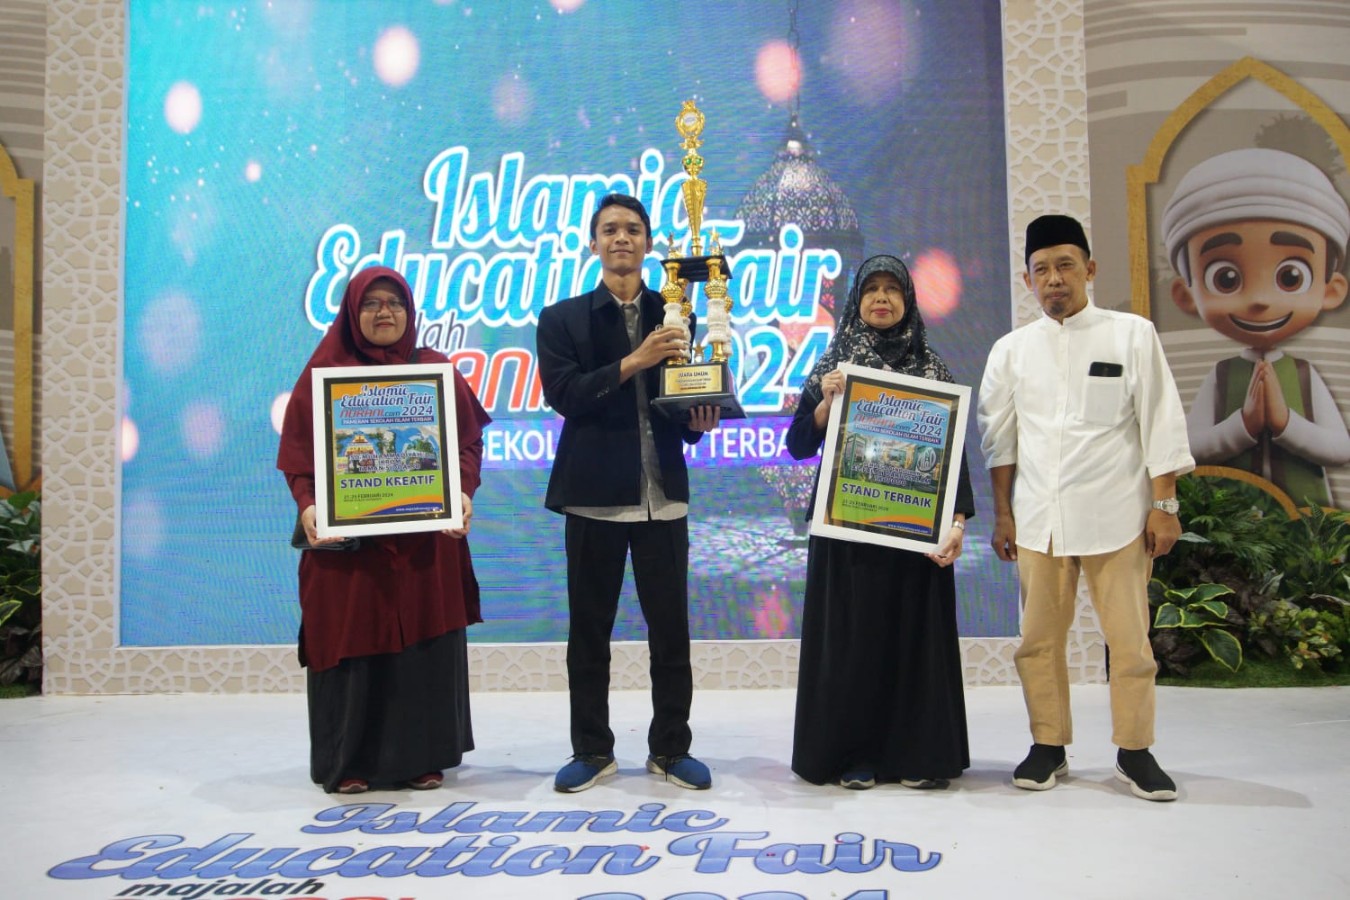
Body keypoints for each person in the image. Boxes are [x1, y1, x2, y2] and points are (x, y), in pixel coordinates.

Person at [977, 215, 1195, 802]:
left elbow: (1159, 421)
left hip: (1117, 517)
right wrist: (1003, 515)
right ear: (1027, 280)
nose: (1055, 279)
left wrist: (1164, 505)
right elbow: (999, 442)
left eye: (1065, 265)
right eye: (1042, 269)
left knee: (1130, 643)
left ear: (1089, 269)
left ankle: (1135, 750)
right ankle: (1048, 745)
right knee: (1037, 642)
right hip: (1038, 522)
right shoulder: (1011, 351)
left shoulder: (1132, 335)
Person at [276, 265, 491, 794]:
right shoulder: (325, 373)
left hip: (424, 546)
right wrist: (308, 505)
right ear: (353, 313)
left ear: (409, 312)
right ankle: (349, 763)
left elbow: (466, 443)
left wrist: (462, 492)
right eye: (371, 303)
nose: (384, 312)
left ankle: (421, 758)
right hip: (349, 552)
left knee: (422, 647)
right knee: (353, 641)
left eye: (394, 302)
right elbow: (299, 460)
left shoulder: (434, 369)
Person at [536, 193, 721, 793]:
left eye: (633, 230)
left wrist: (698, 421)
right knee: (589, 633)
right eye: (610, 229)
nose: (622, 238)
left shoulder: (678, 314)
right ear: (592, 243)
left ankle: (671, 748)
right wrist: (634, 360)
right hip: (594, 495)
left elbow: (680, 401)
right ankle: (592, 750)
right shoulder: (562, 318)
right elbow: (565, 395)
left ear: (648, 243)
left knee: (671, 632)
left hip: (662, 496)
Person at [787, 254, 973, 791]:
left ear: (908, 301)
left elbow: (954, 456)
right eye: (872, 289)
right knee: (854, 643)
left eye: (893, 289)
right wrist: (825, 406)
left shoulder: (931, 369)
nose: (882, 299)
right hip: (848, 531)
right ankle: (855, 756)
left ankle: (916, 755)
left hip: (915, 534)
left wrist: (957, 522)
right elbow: (798, 443)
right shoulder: (834, 367)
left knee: (913, 642)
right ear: (857, 300)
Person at [1162, 147, 1350, 507]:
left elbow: (1340, 449)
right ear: (1186, 295)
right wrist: (1243, 425)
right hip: (1233, 522)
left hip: (1304, 519)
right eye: (1226, 278)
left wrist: (1285, 423)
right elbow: (1187, 448)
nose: (1260, 299)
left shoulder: (1304, 374)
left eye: (1290, 277)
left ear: (1331, 290)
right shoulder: (1221, 376)